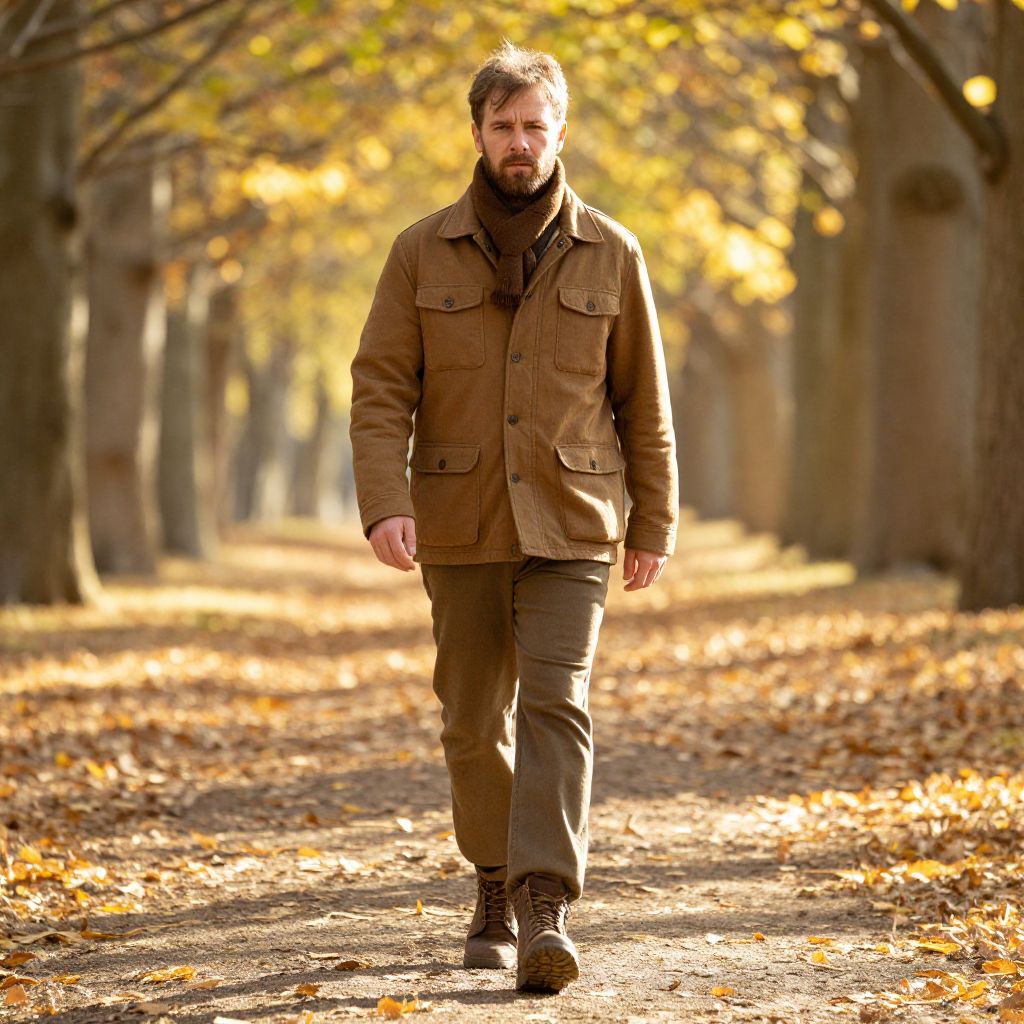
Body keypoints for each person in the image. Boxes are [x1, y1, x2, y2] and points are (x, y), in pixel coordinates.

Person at [349, 41, 678, 993]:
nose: (521, 142)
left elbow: (643, 401)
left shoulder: (614, 252)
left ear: (562, 130)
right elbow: (380, 390)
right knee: (470, 718)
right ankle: (490, 878)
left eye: (537, 124)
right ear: (480, 133)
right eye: (505, 125)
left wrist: (654, 521)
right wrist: (384, 503)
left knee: (557, 703)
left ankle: (545, 904)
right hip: (457, 517)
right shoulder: (419, 250)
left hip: (573, 521)